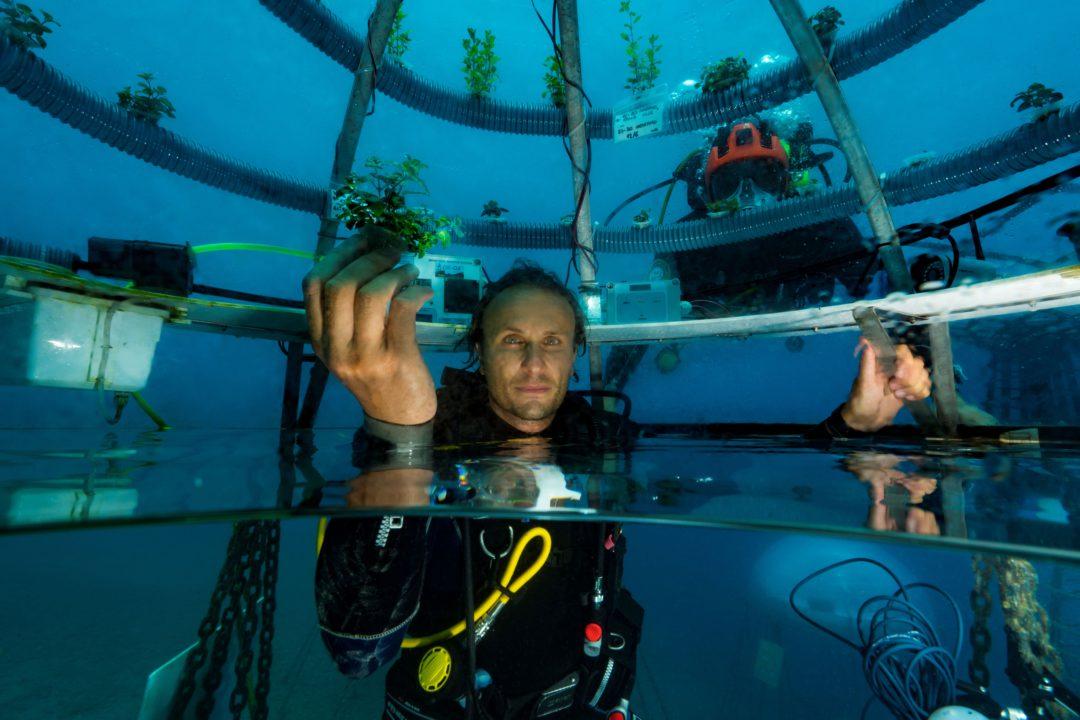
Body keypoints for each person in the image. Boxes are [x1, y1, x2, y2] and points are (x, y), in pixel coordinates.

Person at [302, 236, 931, 719]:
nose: (533, 360)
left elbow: (735, 464)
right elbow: (356, 651)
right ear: (479, 350)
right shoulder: (418, 437)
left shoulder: (604, 443)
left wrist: (852, 426)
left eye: (552, 340)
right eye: (511, 340)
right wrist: (399, 431)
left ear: (576, 353)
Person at [604, 116, 876, 390]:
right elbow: (640, 319)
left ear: (785, 182)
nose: (748, 196)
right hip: (712, 321)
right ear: (709, 192)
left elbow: (874, 281)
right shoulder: (685, 241)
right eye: (729, 183)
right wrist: (608, 393)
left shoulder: (818, 223)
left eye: (764, 176)